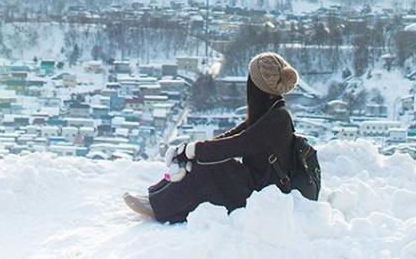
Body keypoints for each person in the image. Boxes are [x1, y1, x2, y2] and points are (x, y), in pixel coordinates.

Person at [122, 50, 299, 223]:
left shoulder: (277, 119)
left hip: (266, 195)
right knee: (206, 158)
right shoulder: (269, 112)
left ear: (256, 85)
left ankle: (160, 207)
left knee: (211, 167)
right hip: (257, 182)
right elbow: (232, 136)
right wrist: (190, 150)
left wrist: (194, 151)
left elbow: (237, 144)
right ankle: (155, 196)